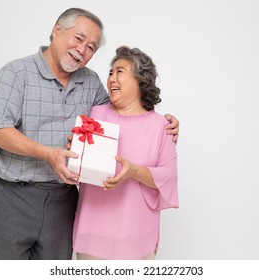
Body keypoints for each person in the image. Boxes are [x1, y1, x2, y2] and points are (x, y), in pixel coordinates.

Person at [0, 8, 179, 260]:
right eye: (79, 38)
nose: (82, 50)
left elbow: (124, 110)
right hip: (13, 196)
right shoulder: (16, 73)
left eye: (92, 47)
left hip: (63, 202)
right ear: (57, 30)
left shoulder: (91, 83)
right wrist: (47, 154)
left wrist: (166, 122)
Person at [73, 46, 178, 260]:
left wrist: (133, 171)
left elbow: (168, 176)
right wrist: (74, 148)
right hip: (92, 233)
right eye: (110, 72)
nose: (111, 78)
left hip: (137, 236)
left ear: (141, 80)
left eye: (119, 71)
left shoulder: (161, 126)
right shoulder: (94, 114)